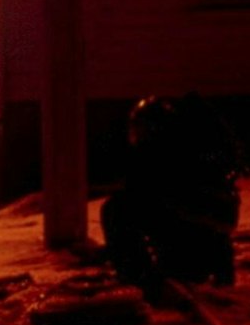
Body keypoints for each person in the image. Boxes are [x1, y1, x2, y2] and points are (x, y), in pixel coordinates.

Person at [101, 93, 242, 302]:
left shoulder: (162, 156)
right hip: (205, 243)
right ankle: (174, 270)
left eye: (140, 127)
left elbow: (138, 201)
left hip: (191, 239)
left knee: (116, 208)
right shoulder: (198, 150)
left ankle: (142, 279)